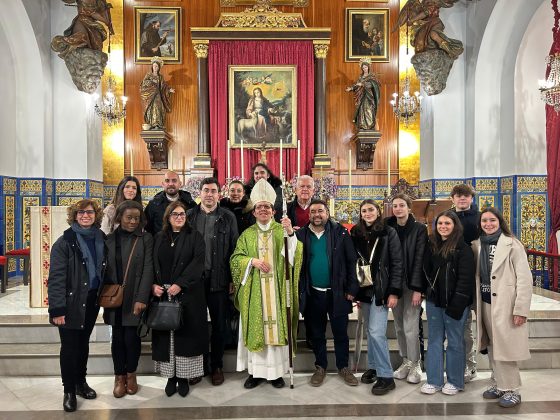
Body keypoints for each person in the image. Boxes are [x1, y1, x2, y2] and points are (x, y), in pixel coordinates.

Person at [230, 178, 303, 389]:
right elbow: (236, 259)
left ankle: (276, 373)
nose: (263, 210)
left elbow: (295, 256)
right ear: (253, 212)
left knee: (276, 329)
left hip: (277, 291)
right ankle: (255, 373)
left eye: (267, 207)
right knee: (255, 328)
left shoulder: (282, 230)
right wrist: (251, 261)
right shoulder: (247, 234)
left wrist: (290, 234)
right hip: (254, 291)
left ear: (273, 211)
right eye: (259, 207)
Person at [47, 199, 106, 412]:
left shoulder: (100, 237)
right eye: (81, 212)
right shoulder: (65, 242)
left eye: (90, 212)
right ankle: (69, 390)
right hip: (71, 302)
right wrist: (58, 309)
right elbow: (56, 278)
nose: (85, 216)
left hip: (91, 300)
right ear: (74, 215)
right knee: (70, 347)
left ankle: (81, 382)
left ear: (96, 215)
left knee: (83, 344)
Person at [472, 207, 532, 408]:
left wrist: (520, 309)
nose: (488, 224)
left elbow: (524, 279)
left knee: (506, 347)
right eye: (484, 221)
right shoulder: (477, 245)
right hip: (486, 302)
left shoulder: (512, 244)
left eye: (492, 220)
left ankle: (512, 389)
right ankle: (500, 383)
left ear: (500, 222)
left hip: (506, 304)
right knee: (492, 345)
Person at [296, 200, 359, 387]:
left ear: (327, 212)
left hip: (338, 292)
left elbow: (351, 261)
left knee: (340, 333)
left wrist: (351, 289)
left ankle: (343, 367)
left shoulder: (340, 233)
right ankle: (320, 367)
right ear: (309, 215)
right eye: (313, 211)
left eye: (320, 211)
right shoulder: (300, 235)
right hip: (313, 292)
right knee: (316, 333)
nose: (317, 214)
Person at [152, 201, 208, 398]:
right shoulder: (159, 237)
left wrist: (181, 284)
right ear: (168, 217)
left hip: (189, 294)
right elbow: (152, 263)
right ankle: (170, 377)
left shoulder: (195, 237)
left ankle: (184, 378)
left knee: (186, 337)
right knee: (167, 339)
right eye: (175, 214)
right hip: (164, 294)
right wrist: (153, 285)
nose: (179, 217)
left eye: (182, 214)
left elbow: (199, 263)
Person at [187, 177, 239, 386]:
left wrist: (233, 278)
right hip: (194, 281)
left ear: (219, 194)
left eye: (213, 191)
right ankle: (197, 366)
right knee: (196, 324)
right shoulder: (189, 216)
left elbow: (236, 249)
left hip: (219, 278)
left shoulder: (228, 217)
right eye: (206, 190)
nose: (209, 194)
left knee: (220, 324)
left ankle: (216, 365)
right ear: (199, 193)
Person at [350, 199, 402, 395]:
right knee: (370, 331)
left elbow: (397, 263)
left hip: (382, 289)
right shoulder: (356, 232)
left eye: (371, 210)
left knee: (376, 331)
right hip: (364, 289)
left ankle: (386, 376)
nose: (367, 213)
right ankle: (373, 366)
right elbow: (353, 262)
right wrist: (354, 291)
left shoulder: (388, 232)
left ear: (378, 212)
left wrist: (394, 291)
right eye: (364, 211)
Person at [102, 200, 153, 398]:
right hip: (115, 296)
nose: (133, 222)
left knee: (132, 338)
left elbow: (148, 268)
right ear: (119, 218)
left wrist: (142, 297)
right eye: (129, 217)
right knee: (117, 339)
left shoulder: (145, 238)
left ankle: (131, 374)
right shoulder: (110, 239)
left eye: (136, 218)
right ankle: (119, 376)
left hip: (135, 296)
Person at [421, 210, 475, 396]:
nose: (443, 227)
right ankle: (434, 380)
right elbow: (425, 272)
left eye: (447, 224)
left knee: (455, 341)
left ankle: (455, 381)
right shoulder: (431, 246)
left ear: (455, 226)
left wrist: (457, 304)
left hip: (456, 303)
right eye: (440, 223)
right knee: (435, 340)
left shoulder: (463, 248)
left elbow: (465, 280)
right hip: (434, 301)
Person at [386, 193, 428, 384]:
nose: (398, 209)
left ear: (409, 208)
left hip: (412, 284)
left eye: (402, 205)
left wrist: (418, 289)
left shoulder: (419, 229)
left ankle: (415, 363)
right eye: (395, 206)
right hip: (394, 285)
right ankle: (405, 361)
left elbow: (420, 259)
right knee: (399, 326)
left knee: (411, 327)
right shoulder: (388, 226)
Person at [451, 183, 480, 382]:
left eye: (466, 196)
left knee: (481, 326)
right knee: (463, 327)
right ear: (452, 198)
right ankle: (466, 365)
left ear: (471, 198)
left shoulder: (480, 218)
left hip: (477, 276)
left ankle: (476, 366)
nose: (462, 199)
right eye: (459, 196)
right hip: (455, 278)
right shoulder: (447, 218)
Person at [396, 0, 464, 60]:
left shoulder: (433, 1)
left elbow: (426, 12)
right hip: (424, 25)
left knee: (434, 34)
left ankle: (450, 50)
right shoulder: (422, 2)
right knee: (419, 45)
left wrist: (412, 20)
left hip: (434, 23)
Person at [144, 170, 195, 235]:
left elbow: (193, 226)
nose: (170, 184)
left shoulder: (190, 203)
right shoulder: (153, 204)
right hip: (160, 243)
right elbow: (147, 228)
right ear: (163, 184)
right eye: (167, 181)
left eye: (174, 180)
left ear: (180, 184)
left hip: (184, 242)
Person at [140, 56, 175, 130]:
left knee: (160, 107)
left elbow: (163, 86)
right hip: (151, 96)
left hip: (158, 95)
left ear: (159, 68)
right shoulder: (149, 75)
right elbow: (144, 84)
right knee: (153, 107)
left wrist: (169, 90)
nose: (155, 67)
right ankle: (153, 123)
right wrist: (151, 83)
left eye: (157, 66)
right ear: (152, 67)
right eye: (154, 66)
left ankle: (159, 124)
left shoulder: (160, 77)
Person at [346, 58, 381, 131]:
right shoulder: (361, 77)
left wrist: (363, 84)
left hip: (369, 96)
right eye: (363, 67)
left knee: (368, 109)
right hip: (361, 96)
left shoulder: (372, 76)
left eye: (365, 67)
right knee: (361, 109)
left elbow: (373, 85)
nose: (364, 69)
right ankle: (362, 125)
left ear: (368, 67)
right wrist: (351, 88)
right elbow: (357, 85)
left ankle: (369, 125)